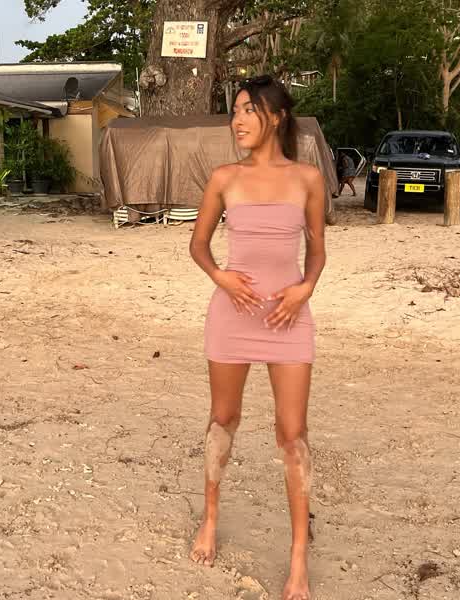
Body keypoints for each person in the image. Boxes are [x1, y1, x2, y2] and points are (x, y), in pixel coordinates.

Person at [189, 74, 326, 600]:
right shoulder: (224, 177)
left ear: (277, 116)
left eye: (248, 110)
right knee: (223, 419)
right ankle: (210, 518)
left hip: (289, 319)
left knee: (293, 433)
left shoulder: (307, 178)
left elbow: (317, 250)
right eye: (235, 111)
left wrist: (305, 288)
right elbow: (199, 245)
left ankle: (298, 558)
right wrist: (220, 277)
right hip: (232, 316)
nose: (237, 120)